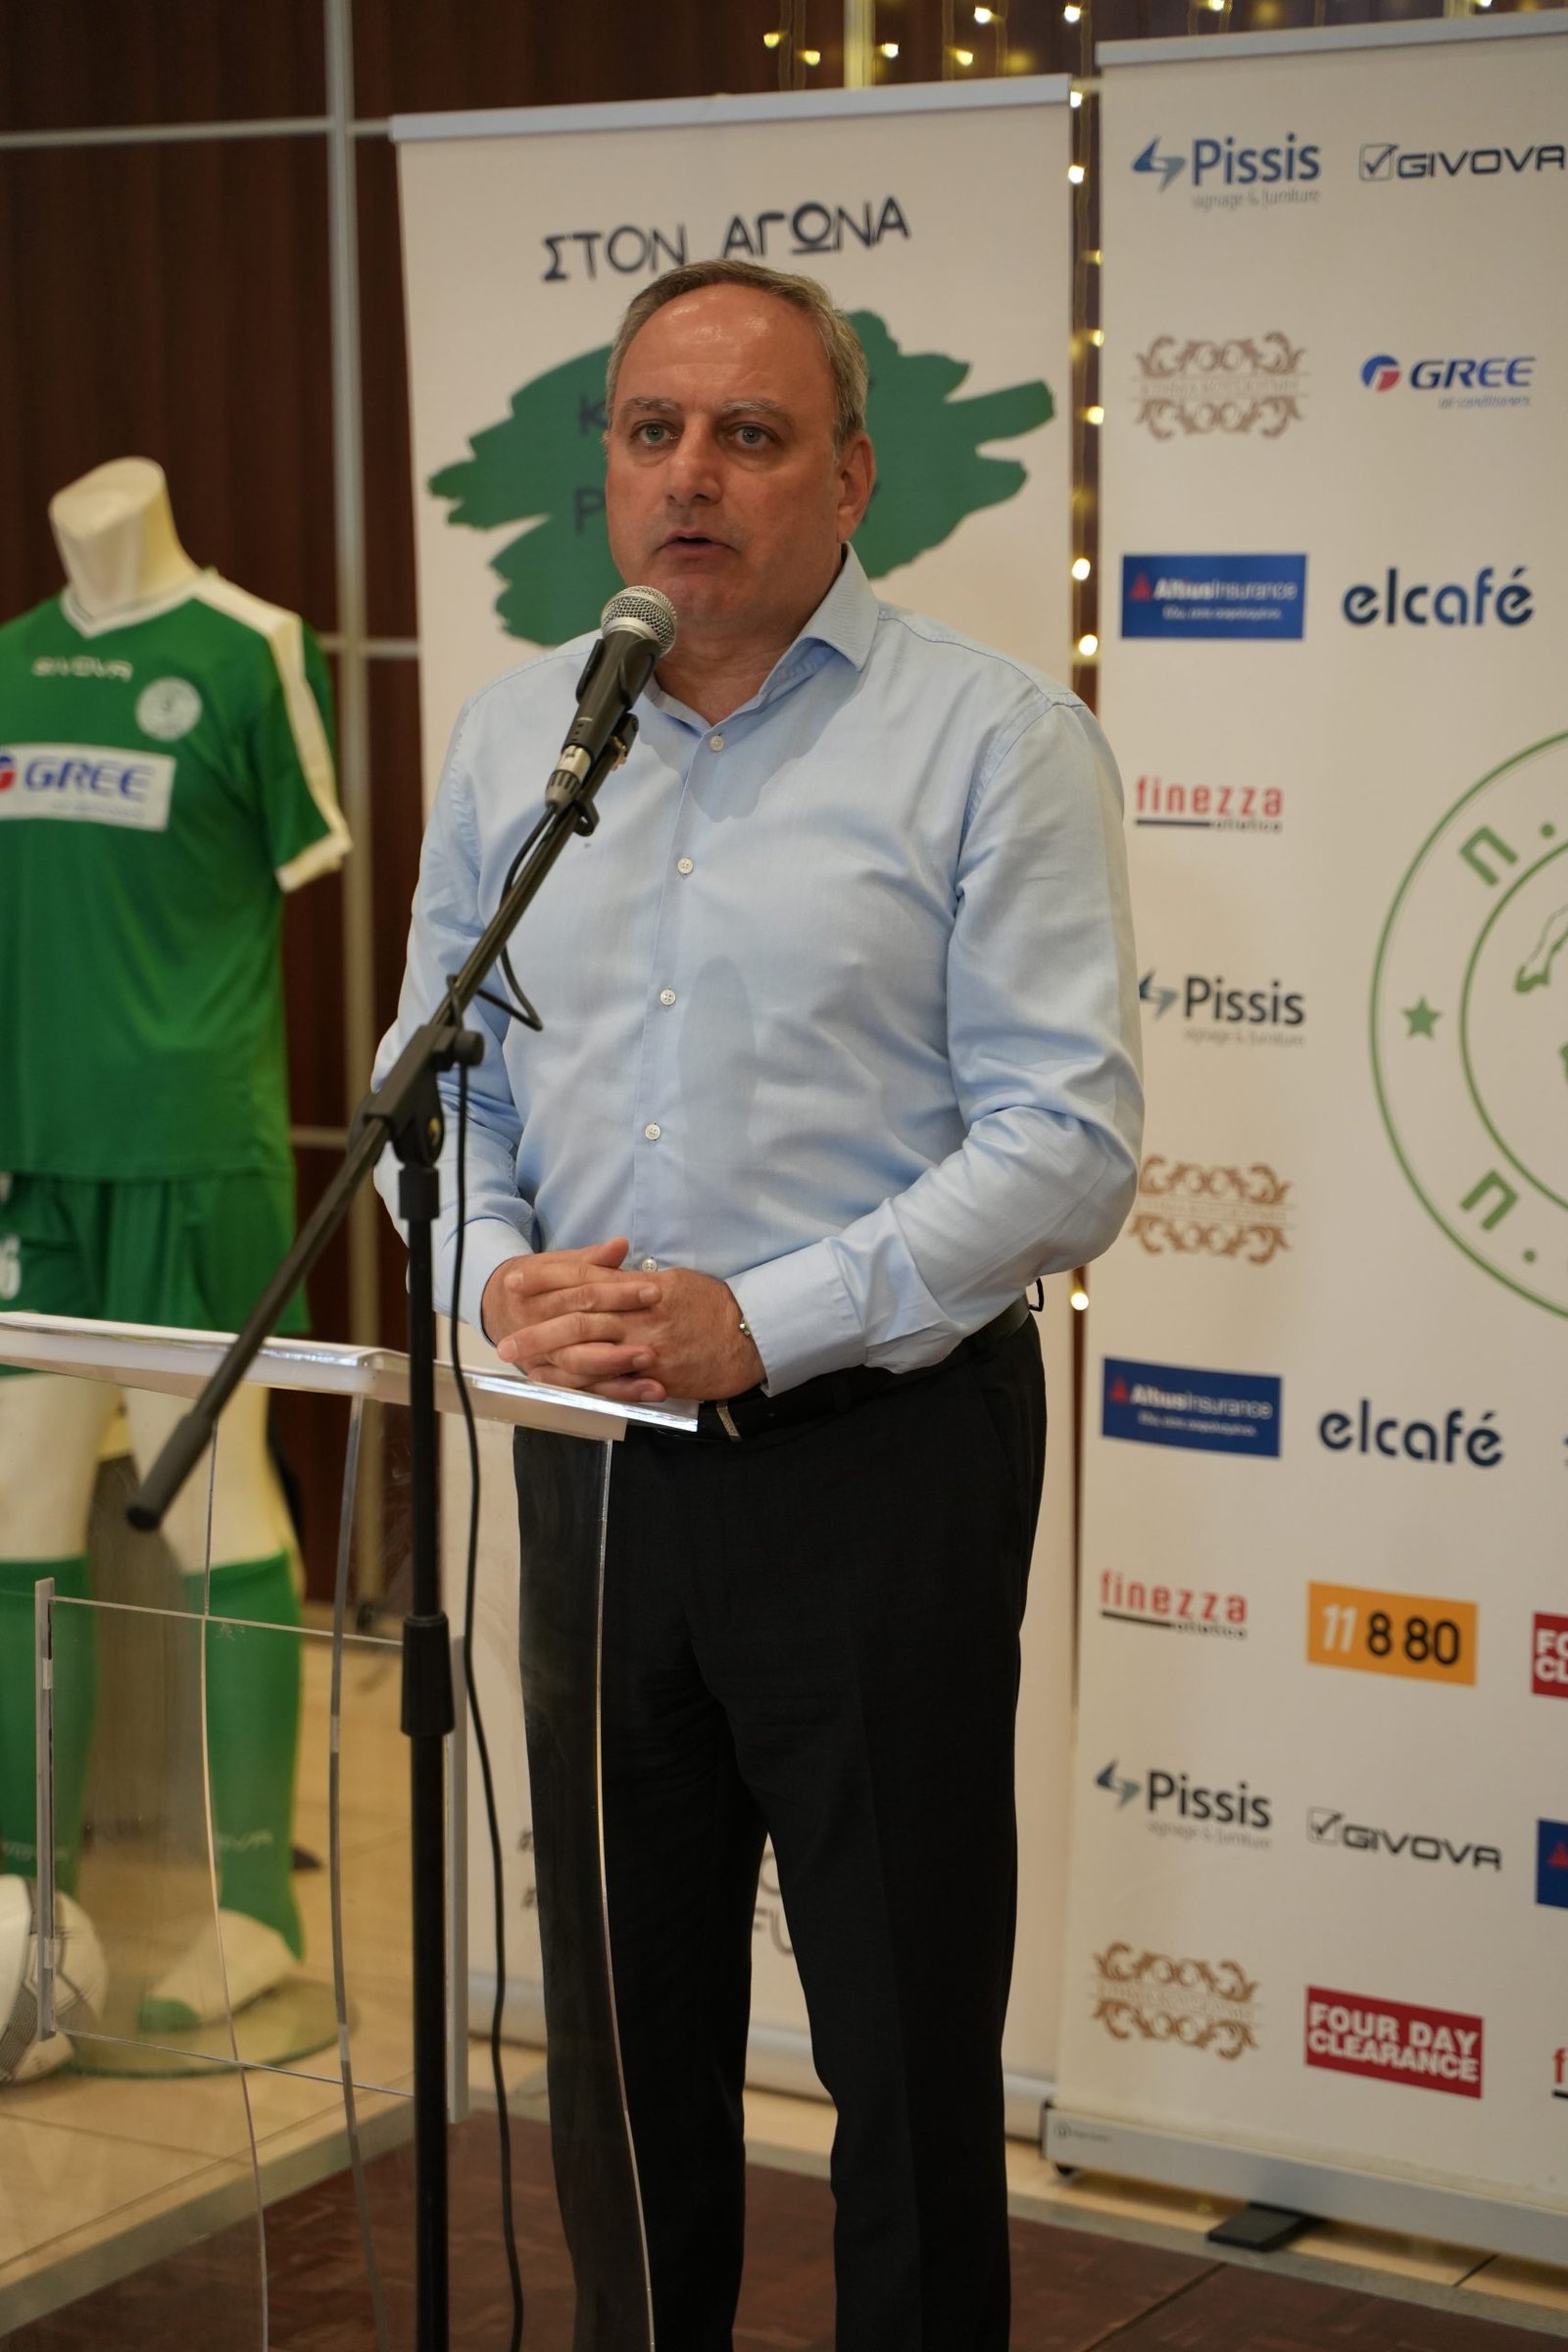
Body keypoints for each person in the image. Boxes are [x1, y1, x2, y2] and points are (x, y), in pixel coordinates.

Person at [375, 259, 1141, 2350]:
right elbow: (440, 1083)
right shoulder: (519, 735)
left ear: (852, 477)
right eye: (652, 432)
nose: (689, 477)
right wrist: (492, 1276)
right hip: (592, 1472)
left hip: (876, 1459)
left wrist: (764, 1320)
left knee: (897, 2037)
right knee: (623, 2038)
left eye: (749, 435)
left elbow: (1066, 1145)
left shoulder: (993, 741)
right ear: (609, 467)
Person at [0, 458, 349, 2054]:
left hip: (195, 1157)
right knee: (15, 1525)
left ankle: (256, 1907)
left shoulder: (250, 647)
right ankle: (27, 1899)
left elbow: (308, 858)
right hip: (28, 1168)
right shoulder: (10, 661)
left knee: (220, 1511)